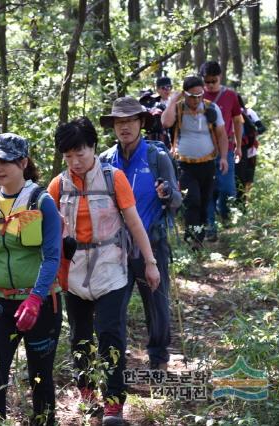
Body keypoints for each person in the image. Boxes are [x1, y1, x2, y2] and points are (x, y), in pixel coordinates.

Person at [48, 118, 160, 426]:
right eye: (68, 156)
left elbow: (134, 222)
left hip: (111, 268)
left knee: (111, 335)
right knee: (80, 338)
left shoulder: (114, 178)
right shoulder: (58, 185)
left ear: (93, 147)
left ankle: (113, 403)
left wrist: (150, 262)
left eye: (80, 153)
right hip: (72, 274)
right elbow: (48, 231)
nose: (75, 161)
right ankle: (87, 394)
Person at [0, 133, 62, 425]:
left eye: (6, 161)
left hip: (41, 304)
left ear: (23, 162)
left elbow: (52, 257)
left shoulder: (41, 201)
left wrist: (36, 297)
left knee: (39, 376)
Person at [99, 97, 182, 372]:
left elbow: (177, 200)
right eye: (119, 122)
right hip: (114, 248)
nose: (125, 127)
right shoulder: (104, 160)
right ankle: (114, 362)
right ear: (113, 126)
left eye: (130, 121)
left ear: (141, 123)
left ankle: (158, 359)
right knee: (113, 308)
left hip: (152, 244)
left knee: (157, 304)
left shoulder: (157, 157)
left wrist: (167, 194)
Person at [161, 76, 229, 249]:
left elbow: (221, 134)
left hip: (207, 164)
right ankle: (193, 238)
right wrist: (173, 100)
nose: (196, 99)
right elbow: (166, 122)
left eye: (200, 95)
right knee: (193, 200)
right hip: (184, 165)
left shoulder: (211, 108)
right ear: (185, 94)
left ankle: (198, 235)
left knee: (205, 202)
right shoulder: (177, 108)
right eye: (192, 96)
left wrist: (223, 157)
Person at [200, 61, 243, 241]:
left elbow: (237, 121)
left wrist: (239, 146)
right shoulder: (197, 96)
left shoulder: (230, 95)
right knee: (207, 190)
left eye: (214, 81)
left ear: (220, 77)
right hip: (203, 152)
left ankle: (223, 211)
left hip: (227, 149)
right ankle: (211, 228)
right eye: (207, 81)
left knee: (227, 189)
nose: (210, 85)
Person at [235, 95, 267, 208]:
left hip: (247, 151)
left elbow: (262, 128)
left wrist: (251, 135)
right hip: (244, 151)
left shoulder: (248, 112)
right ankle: (241, 204)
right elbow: (262, 128)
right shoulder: (246, 112)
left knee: (244, 178)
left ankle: (243, 204)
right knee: (243, 178)